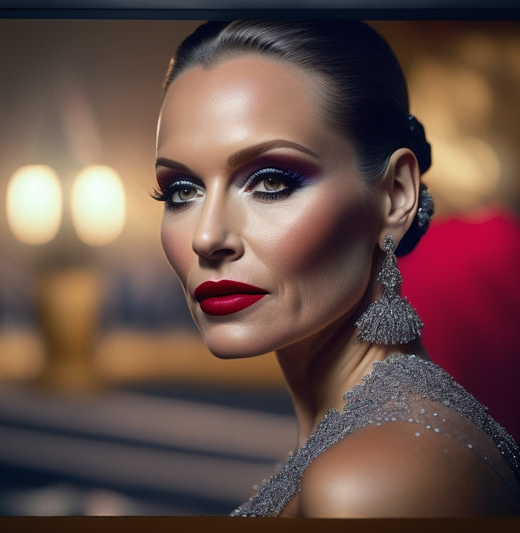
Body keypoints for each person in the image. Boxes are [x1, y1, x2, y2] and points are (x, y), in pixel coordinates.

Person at [152, 20, 520, 517]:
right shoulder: (362, 441)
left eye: (271, 183)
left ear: (395, 196)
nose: (206, 236)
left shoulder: (373, 482)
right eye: (182, 190)